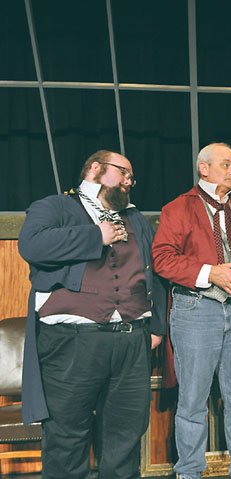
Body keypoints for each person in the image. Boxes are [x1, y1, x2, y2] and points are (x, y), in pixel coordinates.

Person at [18, 150, 167, 479]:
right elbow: (32, 246)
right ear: (96, 168)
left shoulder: (135, 218)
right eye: (123, 172)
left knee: (125, 437)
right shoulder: (54, 206)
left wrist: (156, 325)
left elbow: (153, 273)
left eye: (132, 176)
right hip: (72, 343)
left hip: (131, 341)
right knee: (66, 437)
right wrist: (95, 235)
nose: (129, 181)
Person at [152, 142, 231, 479]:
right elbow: (162, 257)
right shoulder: (177, 208)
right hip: (196, 309)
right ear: (203, 168)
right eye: (225, 164)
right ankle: (188, 473)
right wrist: (210, 272)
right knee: (192, 402)